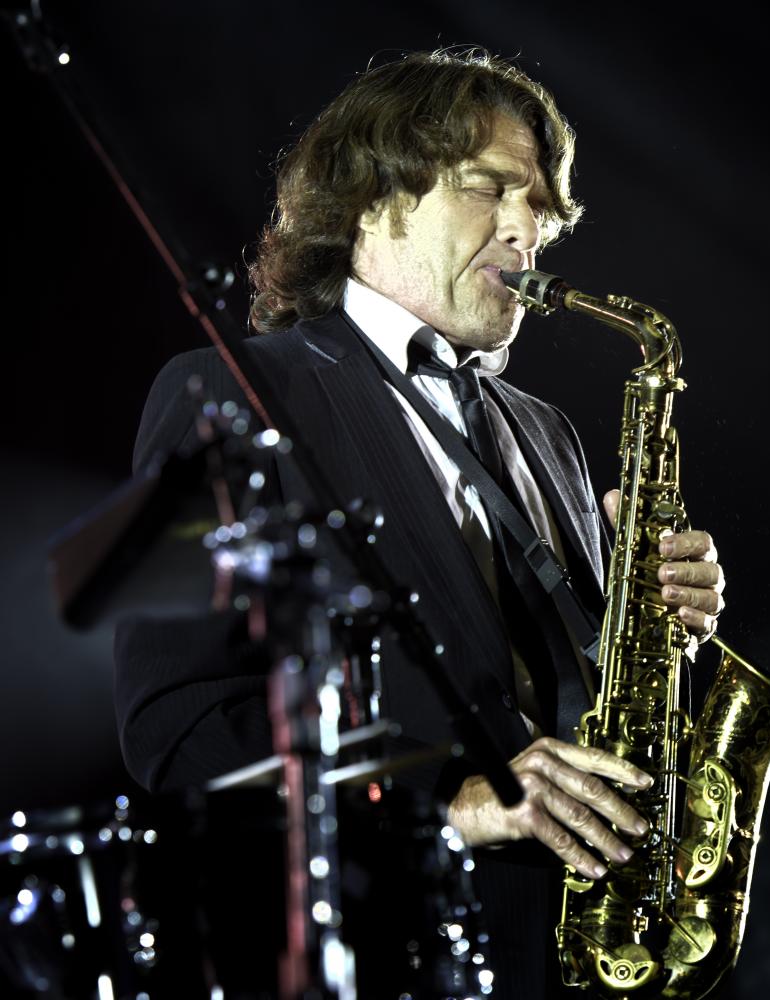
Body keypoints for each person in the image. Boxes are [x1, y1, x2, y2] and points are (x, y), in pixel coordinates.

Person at [114, 49, 726, 997]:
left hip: (571, 950)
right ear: (371, 196)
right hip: (387, 951)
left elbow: (578, 703)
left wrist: (655, 623)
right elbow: (180, 729)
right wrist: (451, 800)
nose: (527, 233)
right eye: (491, 191)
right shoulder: (228, 395)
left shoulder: (546, 433)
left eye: (543, 212)